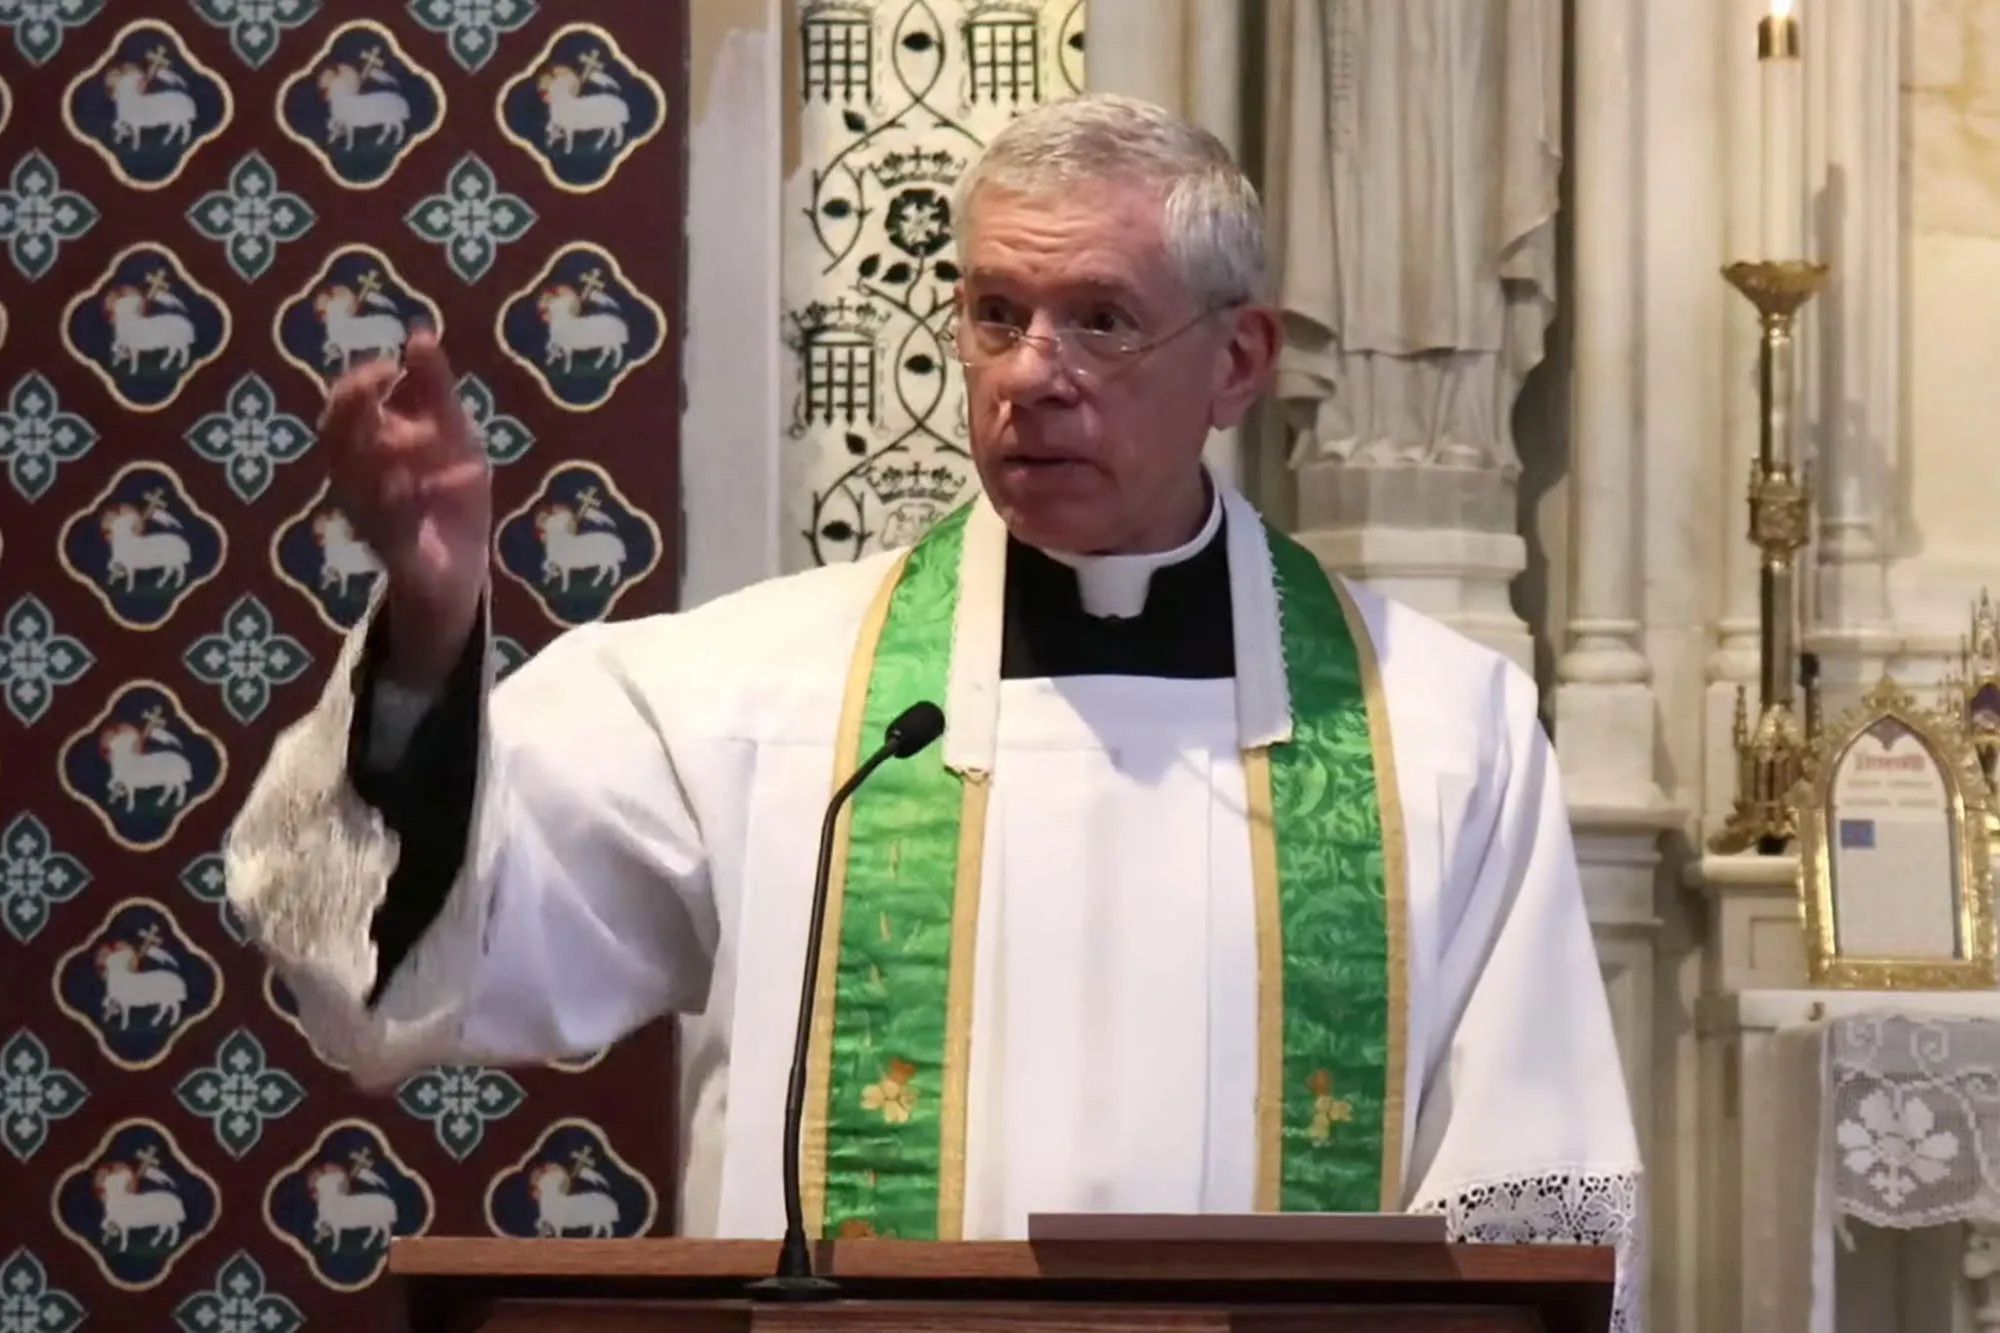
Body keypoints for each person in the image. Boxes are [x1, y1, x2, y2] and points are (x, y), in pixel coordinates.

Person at [226, 93, 1641, 1323]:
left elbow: (1536, 1200)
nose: (1033, 373)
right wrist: (427, 632)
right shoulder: (759, 696)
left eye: (1101, 318)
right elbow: (394, 971)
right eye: (995, 315)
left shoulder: (1438, 733)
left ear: (1241, 362)